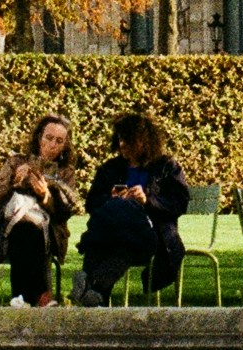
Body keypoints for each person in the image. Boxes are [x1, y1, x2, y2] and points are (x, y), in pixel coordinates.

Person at [76, 113, 193, 305]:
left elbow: (179, 203)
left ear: (144, 141)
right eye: (120, 138)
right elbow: (92, 203)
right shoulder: (110, 169)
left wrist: (147, 200)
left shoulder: (166, 167)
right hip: (116, 234)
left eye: (128, 139)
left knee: (124, 241)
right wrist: (111, 199)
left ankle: (92, 287)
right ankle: (95, 292)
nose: (122, 144)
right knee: (120, 240)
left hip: (153, 236)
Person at [0, 114, 84, 308]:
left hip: (49, 233)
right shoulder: (16, 162)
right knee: (24, 229)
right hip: (8, 229)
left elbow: (66, 211)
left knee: (29, 230)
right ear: (39, 138)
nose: (52, 145)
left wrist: (45, 195)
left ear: (64, 146)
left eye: (59, 141)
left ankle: (21, 297)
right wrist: (13, 182)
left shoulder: (66, 172)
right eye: (49, 138)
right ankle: (40, 295)